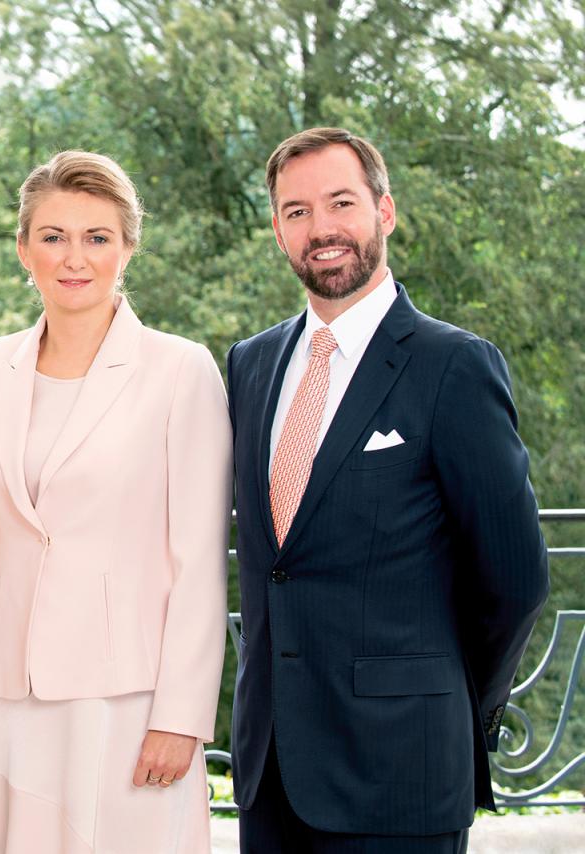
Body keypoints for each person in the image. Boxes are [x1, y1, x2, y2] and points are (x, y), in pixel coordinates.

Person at [227, 127, 550, 853]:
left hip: (402, 768)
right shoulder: (250, 365)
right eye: (297, 210)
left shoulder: (453, 366)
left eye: (342, 202)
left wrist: (456, 704)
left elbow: (517, 580)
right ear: (278, 229)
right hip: (271, 771)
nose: (322, 228)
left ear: (385, 211)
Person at [0, 150, 233, 854]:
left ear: (128, 247)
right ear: (23, 248)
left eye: (97, 237)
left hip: (124, 704)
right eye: (53, 236)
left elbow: (200, 559)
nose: (74, 258)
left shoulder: (180, 369)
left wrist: (182, 715)